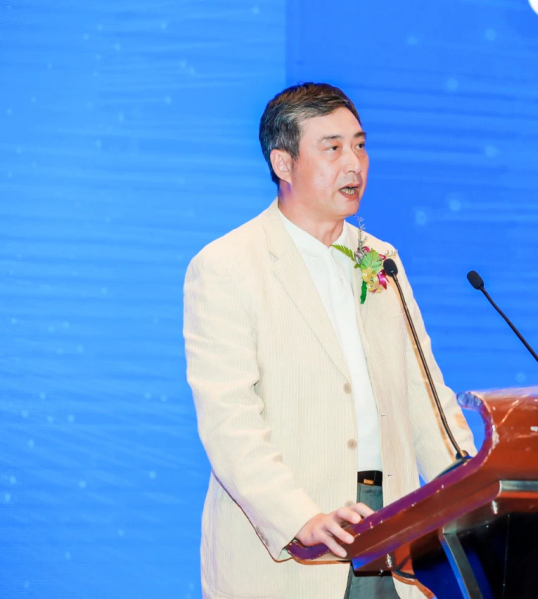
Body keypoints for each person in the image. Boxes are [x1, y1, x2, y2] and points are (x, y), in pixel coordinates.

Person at [183, 82, 476, 599]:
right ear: (283, 163)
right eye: (333, 147)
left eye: (360, 146)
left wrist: (472, 493)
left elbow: (425, 394)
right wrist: (301, 518)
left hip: (395, 533)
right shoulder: (227, 265)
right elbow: (230, 421)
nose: (354, 164)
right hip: (291, 549)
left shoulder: (380, 258)